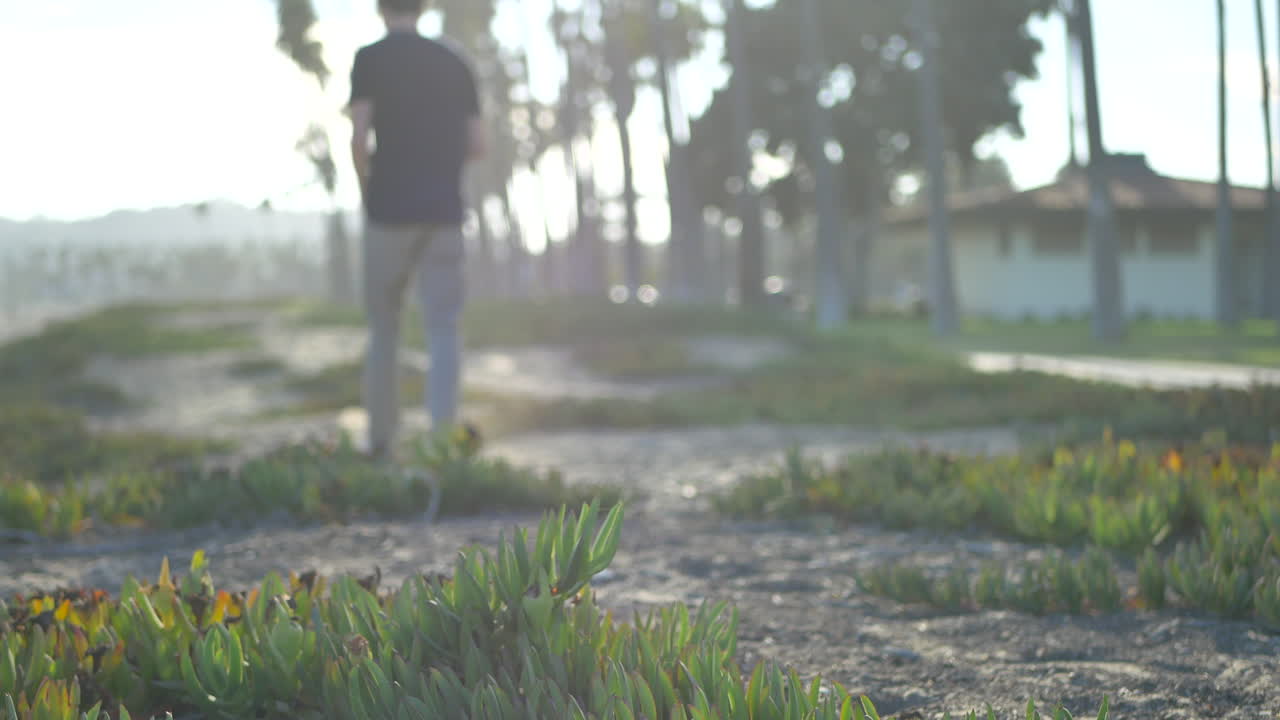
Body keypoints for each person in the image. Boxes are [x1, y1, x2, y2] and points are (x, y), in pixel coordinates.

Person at [348, 0, 485, 461]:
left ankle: (382, 439)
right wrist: (441, 172)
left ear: (381, 9)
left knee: (384, 325)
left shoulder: (370, 59)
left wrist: (369, 189)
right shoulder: (455, 61)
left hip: (387, 209)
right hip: (444, 212)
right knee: (444, 326)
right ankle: (443, 438)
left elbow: (359, 138)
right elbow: (478, 145)